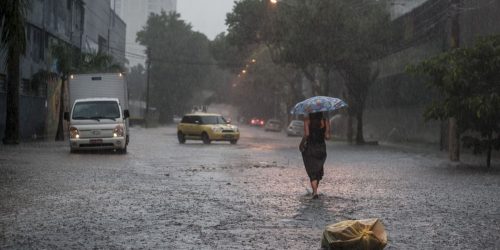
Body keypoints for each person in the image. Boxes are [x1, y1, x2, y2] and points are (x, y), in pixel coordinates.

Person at [302, 112, 330, 199]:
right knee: (318, 169)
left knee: (312, 171)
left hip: (311, 148)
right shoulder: (325, 121)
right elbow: (327, 137)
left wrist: (302, 143)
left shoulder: (307, 120)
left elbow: (306, 135)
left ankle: (314, 192)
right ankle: (315, 190)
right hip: (321, 148)